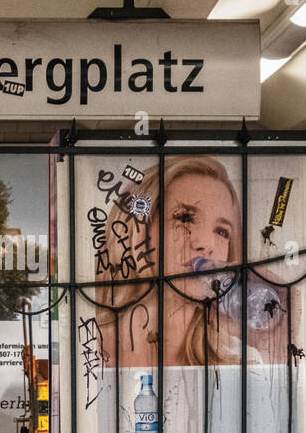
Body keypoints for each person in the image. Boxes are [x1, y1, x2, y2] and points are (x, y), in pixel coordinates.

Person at [92, 154, 255, 368]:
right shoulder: (88, 346)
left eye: (222, 231)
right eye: (185, 218)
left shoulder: (241, 359)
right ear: (138, 229)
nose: (206, 244)